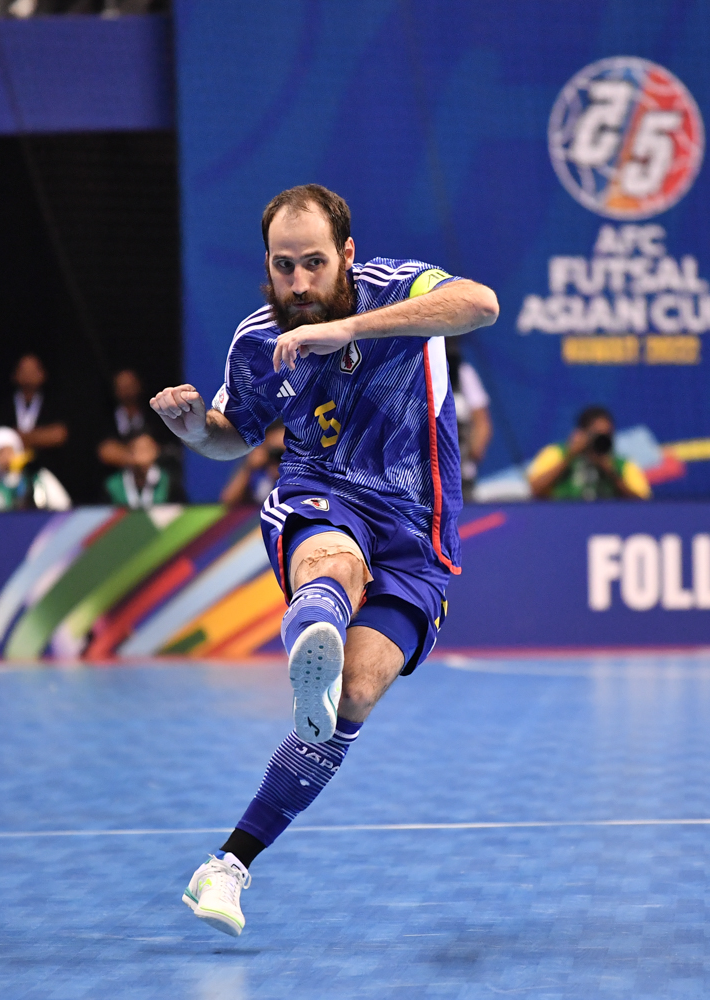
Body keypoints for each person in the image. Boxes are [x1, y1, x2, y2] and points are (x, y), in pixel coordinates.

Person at [150, 183, 498, 936]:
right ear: (267, 266)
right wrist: (194, 429)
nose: (300, 283)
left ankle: (226, 866)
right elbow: (232, 435)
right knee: (334, 561)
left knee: (356, 695)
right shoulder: (257, 341)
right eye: (284, 266)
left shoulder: (399, 288)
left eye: (314, 263)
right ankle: (313, 634)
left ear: (347, 254)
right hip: (323, 494)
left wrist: (348, 330)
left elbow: (481, 304)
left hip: (420, 531)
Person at [526, 405, 651, 500]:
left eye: (606, 436)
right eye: (596, 435)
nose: (601, 440)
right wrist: (570, 455)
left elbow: (643, 506)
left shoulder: (622, 464)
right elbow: (535, 490)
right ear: (581, 433)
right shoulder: (557, 453)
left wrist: (611, 472)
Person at [99, 368, 186, 502]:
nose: (127, 391)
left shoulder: (169, 483)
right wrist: (133, 459)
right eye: (122, 387)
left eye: (130, 386)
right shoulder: (106, 421)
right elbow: (105, 450)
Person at [0, 427, 72, 513]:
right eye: (0, 453)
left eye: (9, 451)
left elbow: (63, 507)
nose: (6, 457)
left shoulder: (38, 478)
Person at [0, 354, 68, 465]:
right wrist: (41, 436)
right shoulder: (4, 406)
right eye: (24, 370)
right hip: (11, 470)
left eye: (33, 371)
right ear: (14, 375)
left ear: (43, 374)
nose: (28, 375)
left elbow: (59, 435)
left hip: (46, 469)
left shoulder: (54, 404)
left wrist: (20, 437)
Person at [445, 339, 492, 497]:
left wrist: (468, 458)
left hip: (460, 477)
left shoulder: (464, 373)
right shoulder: (418, 373)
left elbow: (482, 423)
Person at [103, 432, 181, 508]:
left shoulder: (169, 482)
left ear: (156, 450)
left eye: (146, 450)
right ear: (127, 453)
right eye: (137, 450)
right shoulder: (113, 484)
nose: (143, 457)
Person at [219, 422, 286, 507]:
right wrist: (248, 467)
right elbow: (228, 502)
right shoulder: (261, 480)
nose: (282, 457)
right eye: (277, 453)